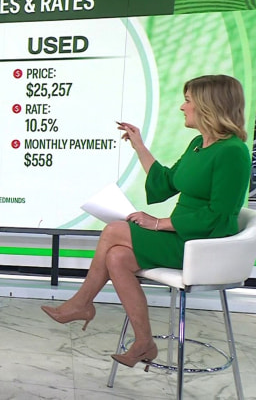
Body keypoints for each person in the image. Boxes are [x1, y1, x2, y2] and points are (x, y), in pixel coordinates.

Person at [41, 74, 251, 370]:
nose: (182, 107)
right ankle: (144, 343)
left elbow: (219, 214)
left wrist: (159, 223)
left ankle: (82, 303)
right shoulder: (198, 144)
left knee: (114, 231)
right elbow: (166, 182)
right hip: (183, 236)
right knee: (117, 257)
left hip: (204, 245)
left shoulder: (233, 152)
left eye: (188, 101)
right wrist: (138, 145)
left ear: (208, 105)